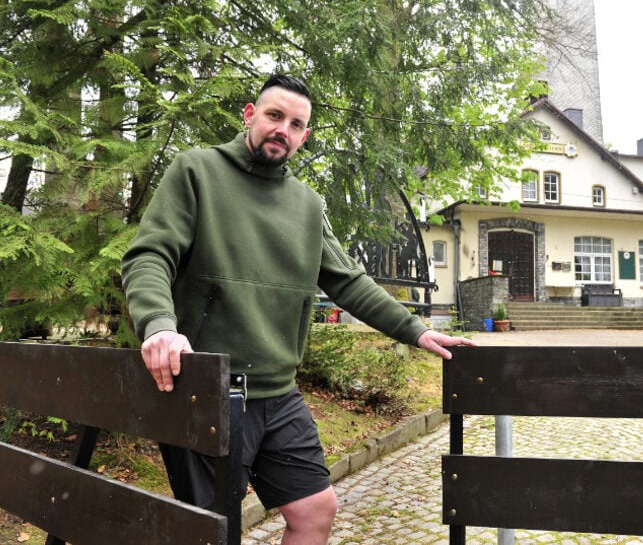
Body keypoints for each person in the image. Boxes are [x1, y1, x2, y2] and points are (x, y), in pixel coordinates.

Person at [121, 73, 476, 544]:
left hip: (279, 392)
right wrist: (159, 326)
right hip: (208, 388)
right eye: (274, 115)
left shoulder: (307, 204)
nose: (282, 129)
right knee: (212, 531)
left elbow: (348, 280)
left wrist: (415, 330)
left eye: (295, 124)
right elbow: (150, 255)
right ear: (250, 115)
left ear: (304, 137)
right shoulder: (197, 171)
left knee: (315, 510)